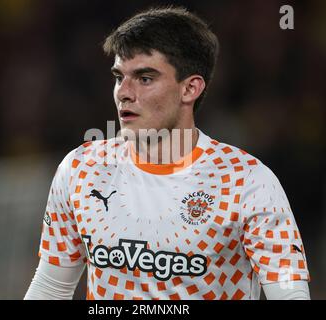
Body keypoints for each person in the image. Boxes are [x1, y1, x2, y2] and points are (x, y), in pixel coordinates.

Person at [24, 6, 310, 300]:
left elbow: (290, 295)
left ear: (190, 89)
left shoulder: (248, 183)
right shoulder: (81, 170)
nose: (124, 92)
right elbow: (51, 287)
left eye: (144, 78)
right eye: (119, 77)